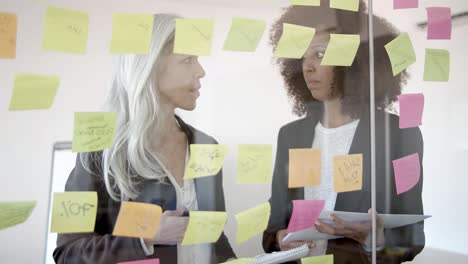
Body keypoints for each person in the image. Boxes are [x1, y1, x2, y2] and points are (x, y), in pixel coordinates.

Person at [53, 14, 235, 264]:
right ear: (150, 66)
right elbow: (67, 253)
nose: (201, 71)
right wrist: (146, 238)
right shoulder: (97, 147)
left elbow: (213, 236)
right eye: (188, 60)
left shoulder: (207, 146)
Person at [263, 1, 425, 263]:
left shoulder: (398, 135)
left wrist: (373, 238)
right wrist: (282, 238)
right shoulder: (291, 136)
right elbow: (273, 228)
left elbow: (413, 237)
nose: (308, 67)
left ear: (355, 59)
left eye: (319, 53)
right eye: (303, 57)